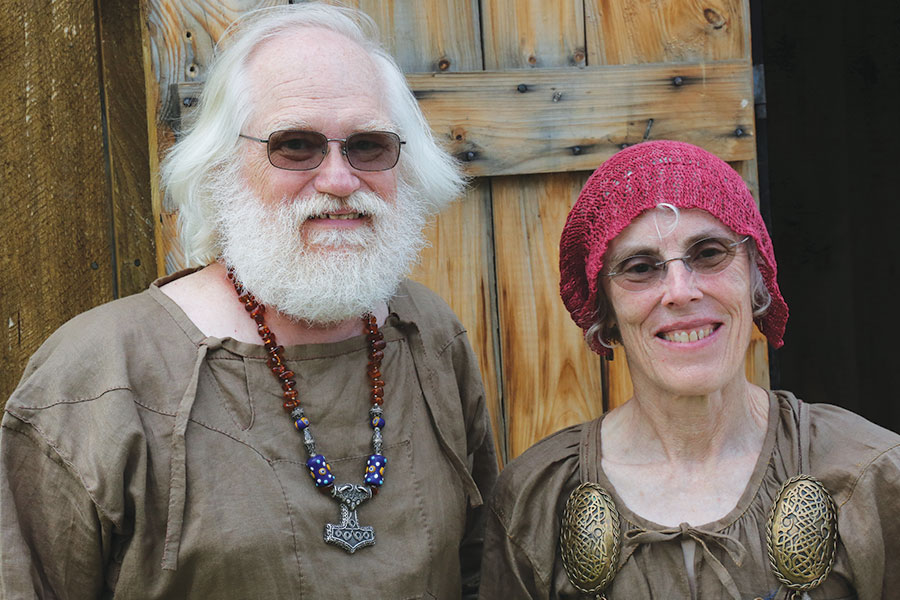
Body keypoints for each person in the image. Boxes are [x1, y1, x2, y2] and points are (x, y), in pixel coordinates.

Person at [1, 4, 497, 598]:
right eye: (295, 145)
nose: (339, 179)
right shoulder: (97, 376)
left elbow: (479, 567)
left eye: (368, 146)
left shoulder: (429, 332)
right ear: (221, 166)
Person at [479, 140, 900, 599]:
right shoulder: (536, 500)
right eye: (641, 267)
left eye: (708, 253)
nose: (680, 291)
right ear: (605, 308)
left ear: (755, 275)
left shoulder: (869, 473)